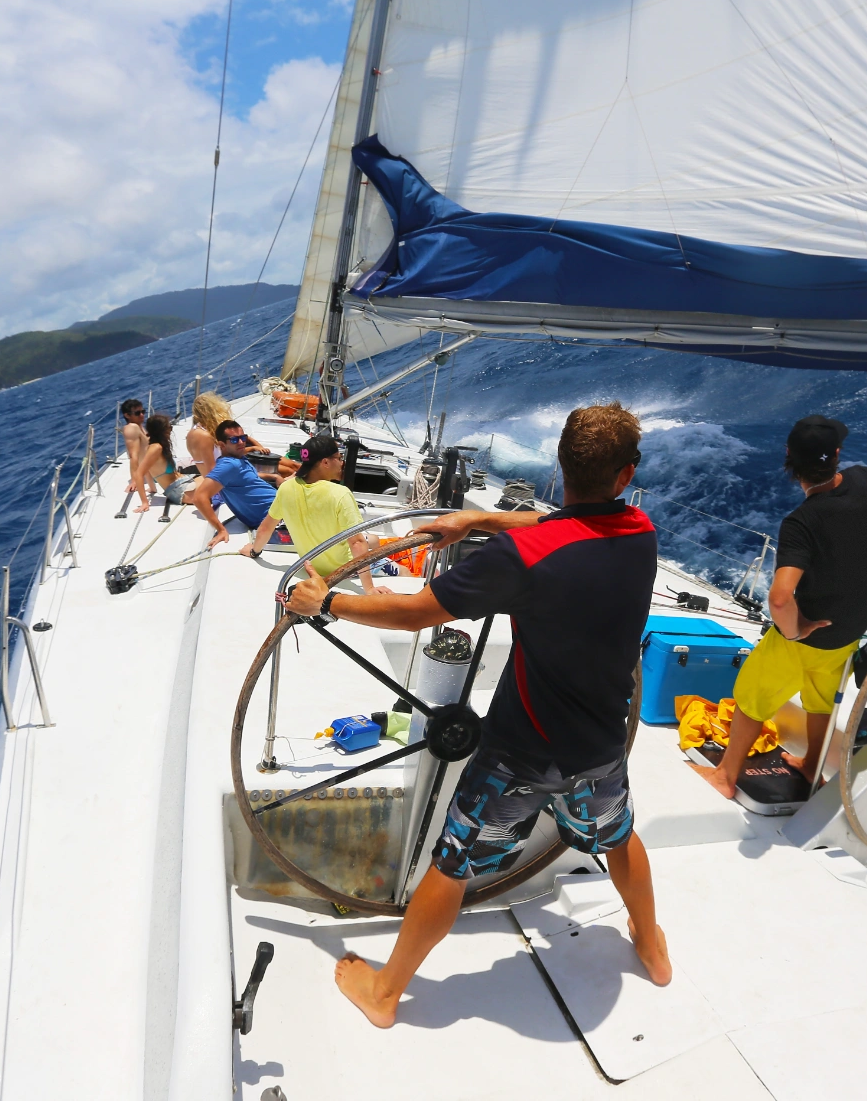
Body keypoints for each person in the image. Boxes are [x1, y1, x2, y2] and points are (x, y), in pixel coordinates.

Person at [284, 402, 672, 1029]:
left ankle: (385, 995)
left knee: (453, 864)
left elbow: (416, 611)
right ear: (626, 476)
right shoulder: (642, 532)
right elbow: (560, 522)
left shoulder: (524, 556)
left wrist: (326, 600)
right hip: (602, 746)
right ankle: (651, 947)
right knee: (619, 836)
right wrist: (477, 519)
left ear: (558, 463)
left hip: (520, 755)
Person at [697, 415, 867, 799]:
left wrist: (795, 630)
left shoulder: (802, 522)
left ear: (789, 459)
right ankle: (813, 764)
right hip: (853, 627)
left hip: (809, 636)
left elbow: (780, 598)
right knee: (821, 696)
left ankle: (725, 776)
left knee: (752, 695)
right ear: (837, 456)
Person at [239, 433, 393, 595]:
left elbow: (266, 528)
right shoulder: (340, 494)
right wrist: (369, 589)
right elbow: (357, 543)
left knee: (374, 541)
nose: (342, 463)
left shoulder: (286, 488)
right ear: (325, 462)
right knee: (404, 572)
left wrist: (254, 551)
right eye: (339, 458)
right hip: (345, 570)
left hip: (312, 566)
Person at [185, 392, 295, 504]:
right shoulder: (203, 436)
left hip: (234, 469)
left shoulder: (203, 430)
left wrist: (255, 449)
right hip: (228, 482)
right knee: (287, 471)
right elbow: (213, 472)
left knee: (289, 468)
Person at [195, 420, 279, 546]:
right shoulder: (229, 465)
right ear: (222, 445)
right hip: (276, 517)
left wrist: (273, 476)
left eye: (243, 438)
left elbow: (248, 476)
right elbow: (199, 497)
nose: (241, 442)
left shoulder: (238, 459)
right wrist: (221, 529)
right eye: (234, 440)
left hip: (280, 508)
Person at [132, 414, 189, 512]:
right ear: (161, 431)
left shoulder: (157, 446)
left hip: (183, 481)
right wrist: (144, 502)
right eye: (169, 428)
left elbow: (148, 469)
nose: (171, 430)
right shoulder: (155, 448)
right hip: (178, 490)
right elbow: (139, 473)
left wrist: (152, 488)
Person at [119, 399, 151, 499]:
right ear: (127, 415)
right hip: (154, 472)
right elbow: (133, 455)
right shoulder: (131, 428)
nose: (142, 415)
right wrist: (135, 480)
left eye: (143, 412)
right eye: (137, 413)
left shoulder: (139, 426)